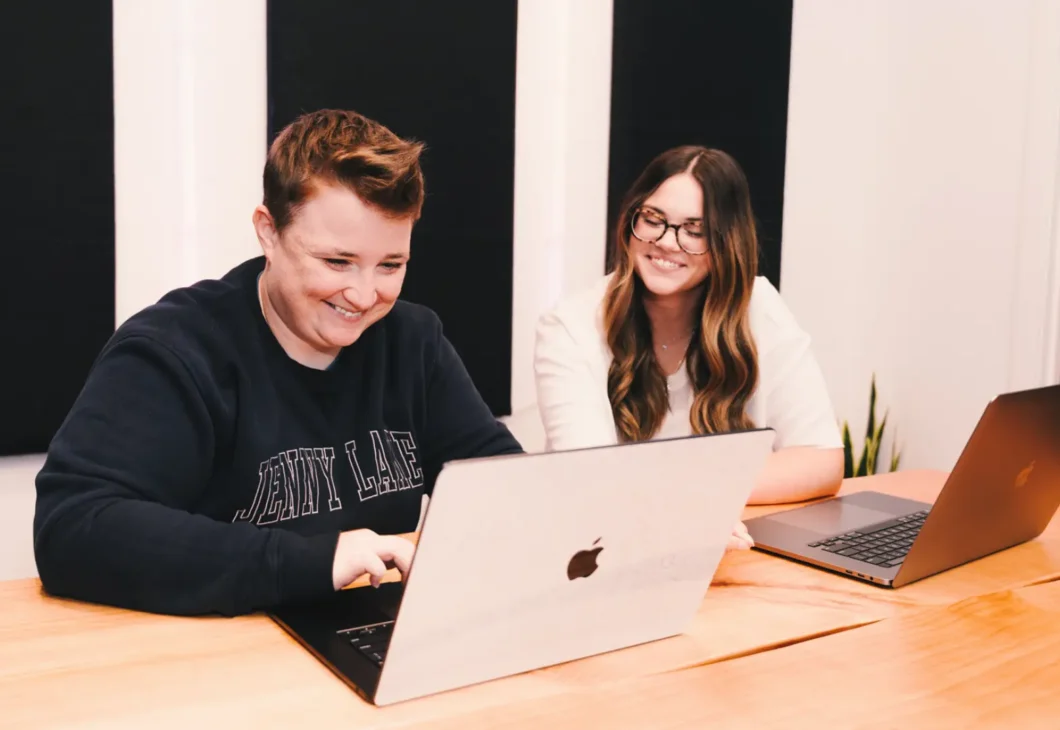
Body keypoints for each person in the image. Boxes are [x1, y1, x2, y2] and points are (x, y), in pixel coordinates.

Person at [33, 109, 522, 616]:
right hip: (221, 658)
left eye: (391, 266)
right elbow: (73, 528)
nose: (363, 294)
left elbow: (504, 486)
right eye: (337, 262)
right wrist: (316, 561)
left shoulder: (414, 339)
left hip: (362, 633)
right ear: (268, 232)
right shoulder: (174, 351)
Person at [533, 146, 844, 548]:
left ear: (726, 243)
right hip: (607, 554)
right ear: (632, 219)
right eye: (653, 220)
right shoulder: (570, 327)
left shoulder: (758, 307)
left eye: (694, 231)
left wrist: (689, 495)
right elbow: (594, 477)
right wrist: (696, 499)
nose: (666, 242)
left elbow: (821, 460)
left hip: (731, 548)